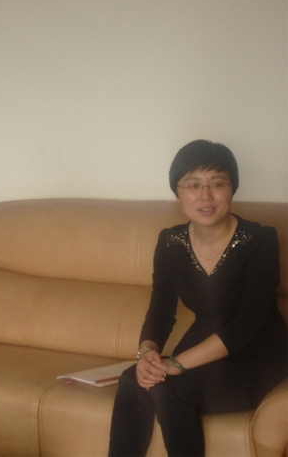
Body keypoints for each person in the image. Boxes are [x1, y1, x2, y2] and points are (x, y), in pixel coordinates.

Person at [108, 140, 288, 457]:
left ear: (232, 189)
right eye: (193, 185)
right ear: (178, 192)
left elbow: (249, 323)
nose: (205, 195)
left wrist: (176, 363)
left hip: (256, 357)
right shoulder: (170, 242)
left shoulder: (260, 240)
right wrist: (147, 355)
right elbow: (160, 310)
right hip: (201, 347)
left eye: (217, 184)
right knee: (133, 381)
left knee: (170, 390)